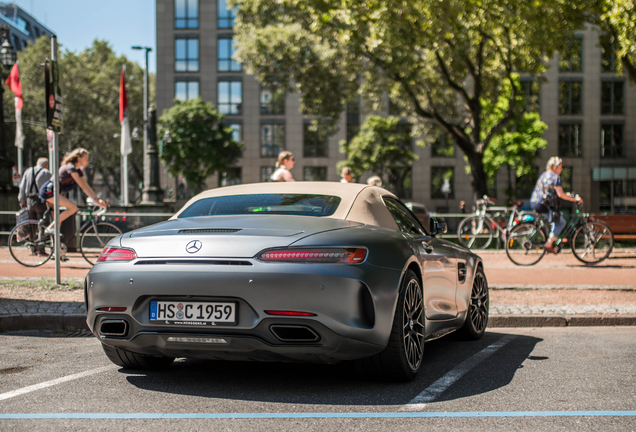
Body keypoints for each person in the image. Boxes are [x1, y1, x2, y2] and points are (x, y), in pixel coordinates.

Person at [39, 148, 107, 235]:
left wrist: (96, 199)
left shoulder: (77, 170)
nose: (88, 161)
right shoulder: (71, 168)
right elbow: (83, 187)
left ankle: (55, 246)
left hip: (53, 192)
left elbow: (86, 186)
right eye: (86, 158)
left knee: (57, 224)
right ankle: (49, 229)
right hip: (49, 191)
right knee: (73, 208)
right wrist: (97, 201)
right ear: (79, 158)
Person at [530, 156, 582, 252]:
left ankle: (553, 239)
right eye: (560, 167)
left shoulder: (544, 175)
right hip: (545, 204)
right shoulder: (555, 177)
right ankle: (549, 243)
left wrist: (568, 195)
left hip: (535, 202)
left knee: (556, 219)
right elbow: (560, 195)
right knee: (561, 222)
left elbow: (552, 192)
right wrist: (575, 199)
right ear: (555, 167)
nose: (562, 169)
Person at [18, 157, 51, 222]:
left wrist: (21, 200)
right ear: (46, 165)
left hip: (29, 201)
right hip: (41, 201)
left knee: (31, 224)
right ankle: (41, 231)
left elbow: (22, 187)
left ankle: (32, 232)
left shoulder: (28, 171)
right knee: (42, 223)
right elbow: (50, 188)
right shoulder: (46, 172)